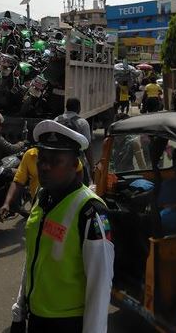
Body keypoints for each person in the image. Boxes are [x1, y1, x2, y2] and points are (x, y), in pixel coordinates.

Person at [10, 120, 114, 333]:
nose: (44, 166)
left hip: (67, 324)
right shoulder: (42, 196)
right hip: (36, 317)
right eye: (42, 159)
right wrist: (19, 310)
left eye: (56, 161)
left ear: (75, 165)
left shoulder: (90, 211)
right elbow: (35, 257)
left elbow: (100, 286)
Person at [54, 97, 94, 185]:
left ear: (66, 107)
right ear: (78, 108)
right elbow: (88, 147)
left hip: (58, 163)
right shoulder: (82, 123)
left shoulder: (56, 120)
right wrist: (92, 167)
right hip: (78, 164)